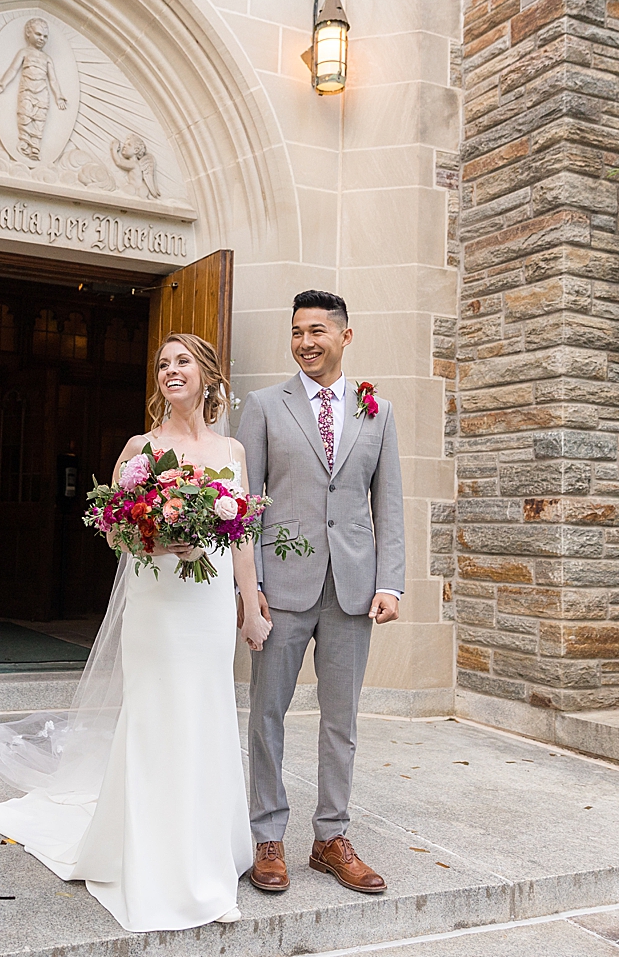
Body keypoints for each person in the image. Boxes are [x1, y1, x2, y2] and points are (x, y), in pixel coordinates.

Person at [0, 333, 270, 931]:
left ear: (207, 375)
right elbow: (115, 530)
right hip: (157, 603)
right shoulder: (139, 449)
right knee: (155, 717)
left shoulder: (231, 450)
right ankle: (155, 863)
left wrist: (250, 605)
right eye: (163, 364)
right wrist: (152, 537)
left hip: (206, 605)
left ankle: (206, 858)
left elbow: (242, 535)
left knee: (207, 715)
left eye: (182, 363)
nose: (171, 371)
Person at [235, 290, 406, 895]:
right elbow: (246, 507)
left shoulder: (377, 410)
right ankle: (268, 836)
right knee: (267, 717)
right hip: (281, 586)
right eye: (297, 332)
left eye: (317, 331)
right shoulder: (262, 406)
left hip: (353, 589)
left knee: (342, 719)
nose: (305, 342)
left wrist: (390, 582)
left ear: (344, 336)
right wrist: (249, 591)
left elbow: (388, 503)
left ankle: (330, 836)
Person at [0, 17, 67, 161]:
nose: (42, 39)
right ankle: (24, 143)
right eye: (38, 34)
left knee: (40, 119)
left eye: (45, 36)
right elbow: (13, 70)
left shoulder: (47, 58)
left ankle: (35, 147)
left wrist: (59, 96)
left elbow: (53, 80)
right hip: (27, 90)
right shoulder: (24, 52)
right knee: (25, 114)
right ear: (28, 33)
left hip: (42, 93)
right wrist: (2, 83)